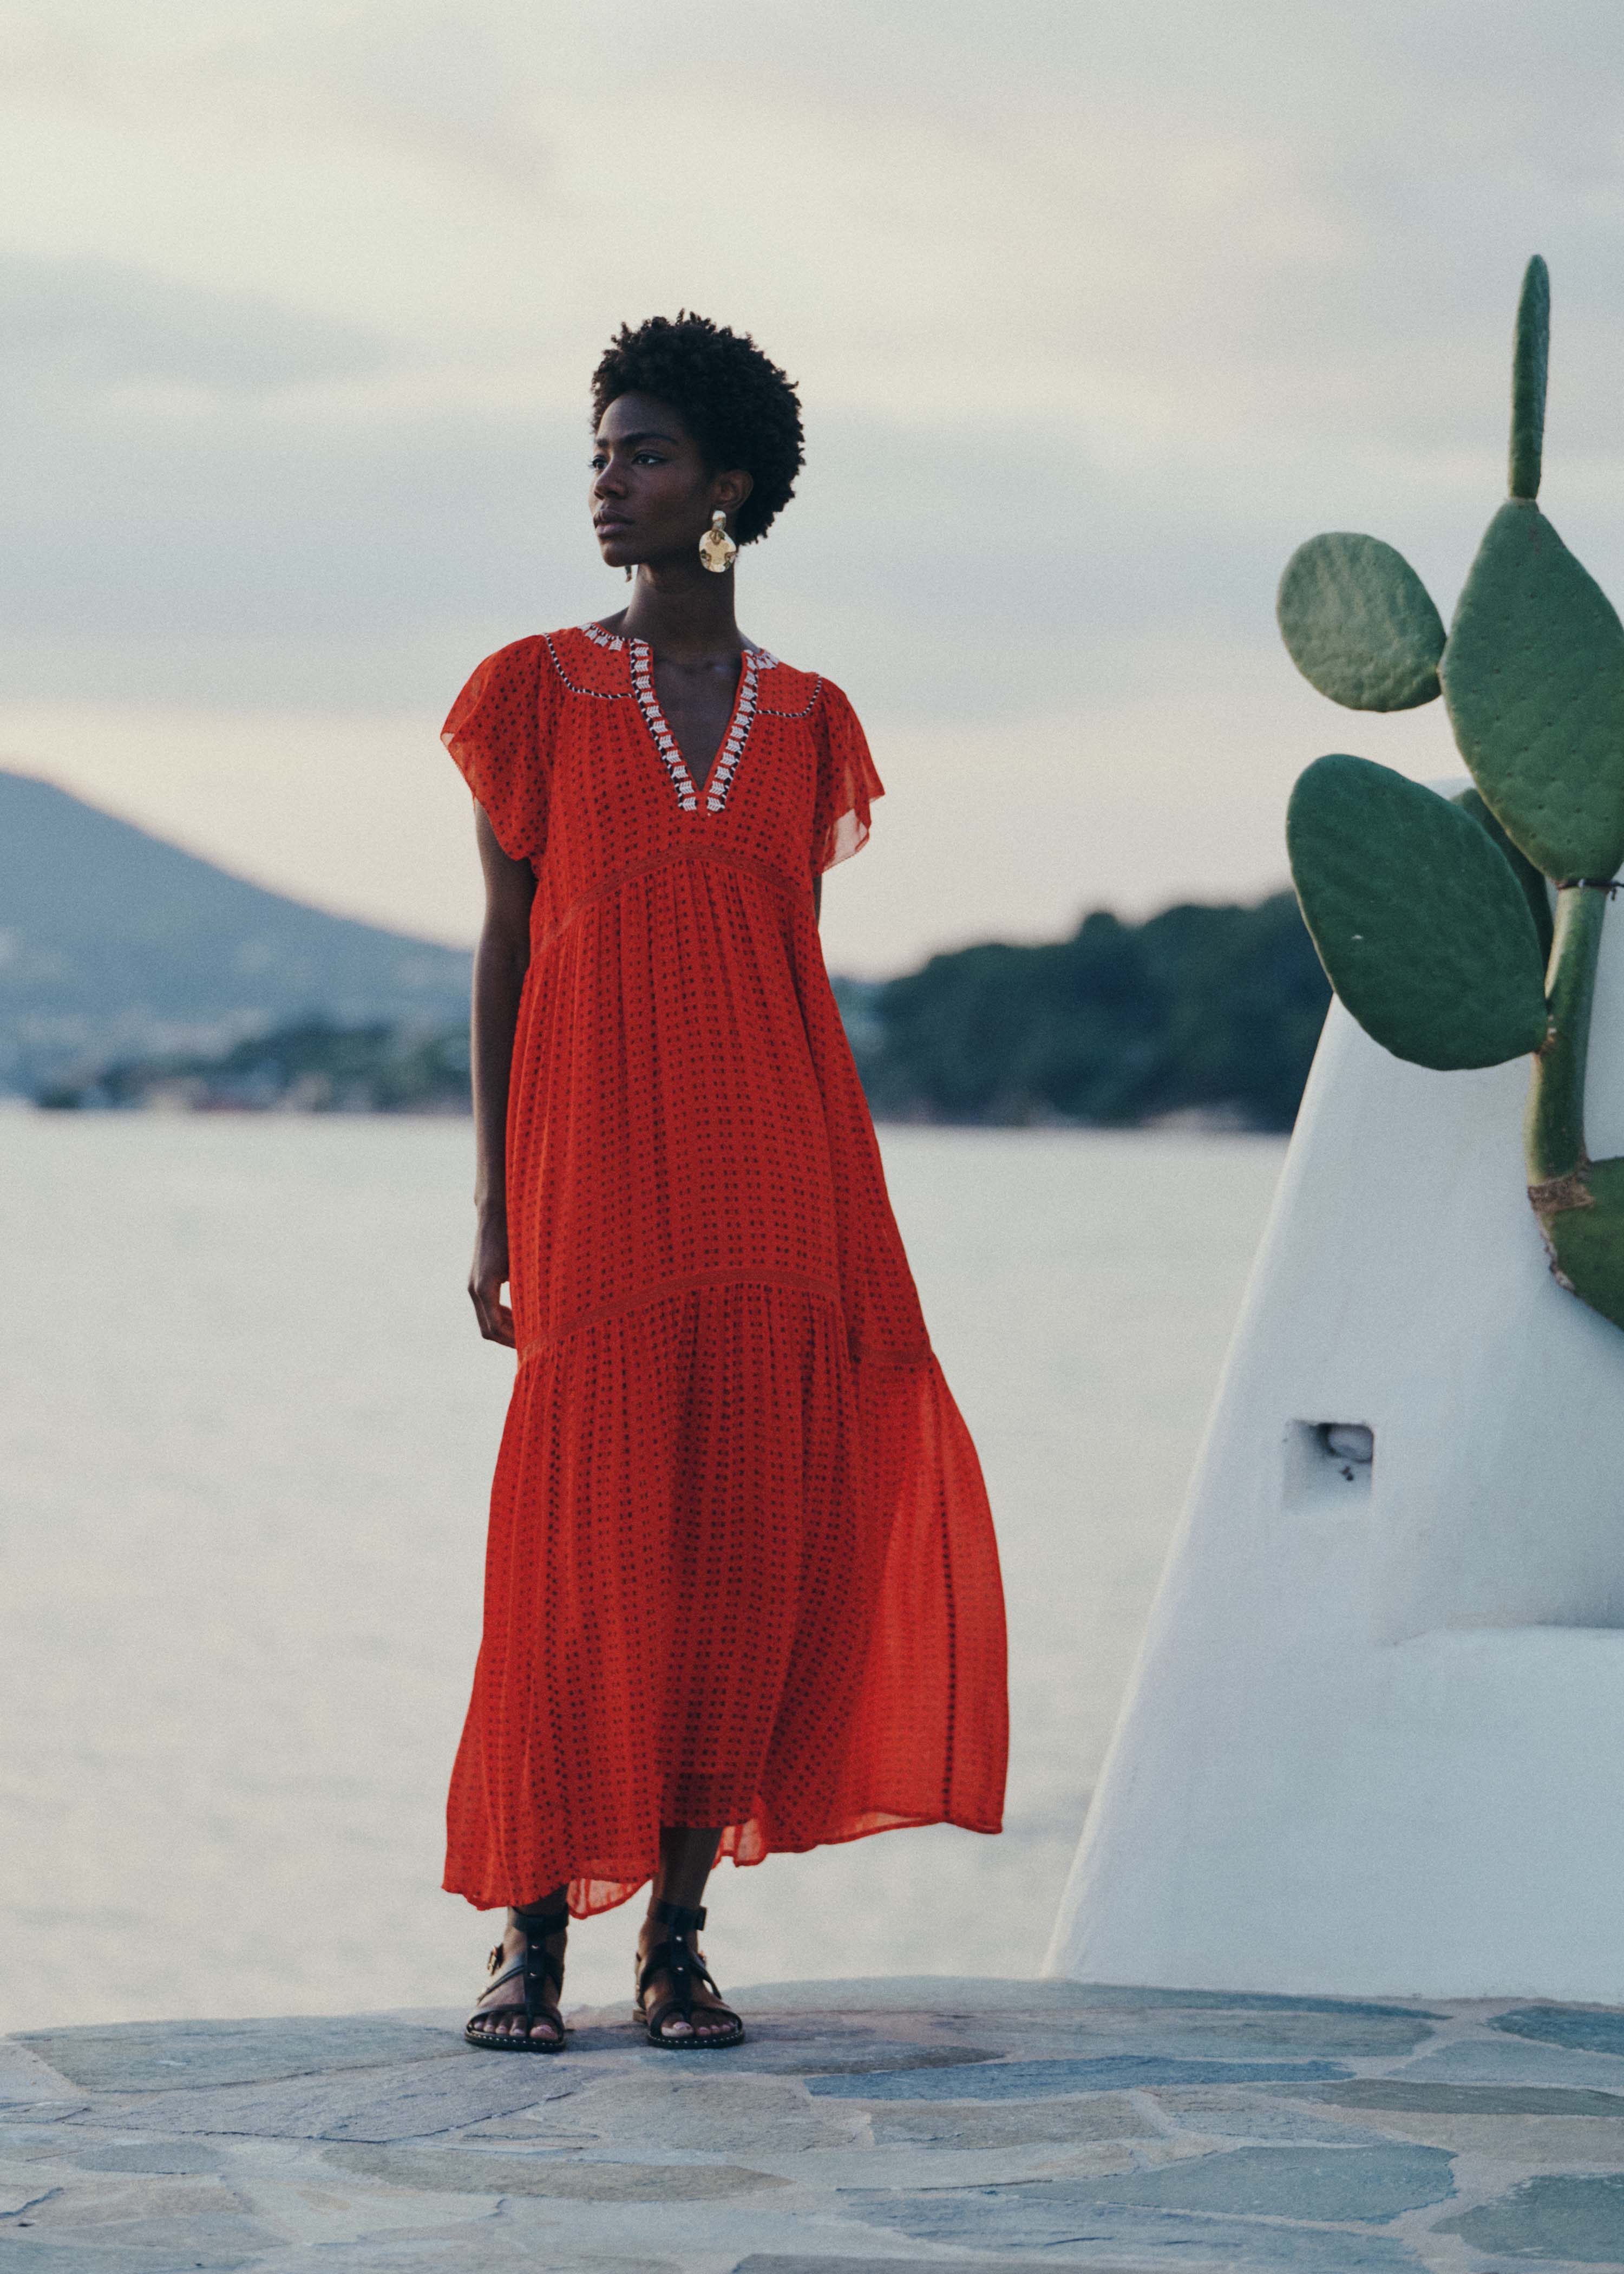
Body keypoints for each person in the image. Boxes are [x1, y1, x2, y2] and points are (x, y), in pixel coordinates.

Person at [445, 312, 1007, 2051]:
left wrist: (832, 1207)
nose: (608, 485)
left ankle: (677, 1937)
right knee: (582, 1542)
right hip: (595, 1165)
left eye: (647, 455)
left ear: (728, 489)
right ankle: (532, 1931)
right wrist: (494, 1205)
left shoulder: (812, 719)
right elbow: (507, 946)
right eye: (600, 456)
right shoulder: (533, 692)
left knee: (742, 1538)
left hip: (773, 1168)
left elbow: (787, 962)